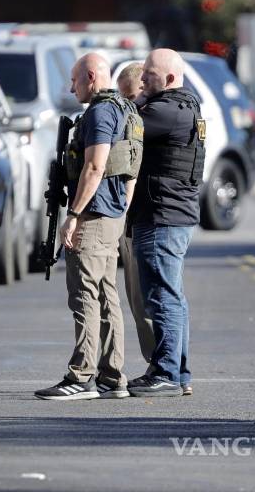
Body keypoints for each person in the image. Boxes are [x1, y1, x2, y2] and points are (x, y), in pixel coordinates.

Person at [35, 52, 138, 401]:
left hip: (94, 216)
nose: (71, 86)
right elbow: (129, 170)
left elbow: (95, 167)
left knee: (85, 297)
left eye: (76, 79)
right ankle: (112, 376)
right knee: (107, 296)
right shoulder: (125, 109)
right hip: (113, 214)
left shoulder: (100, 112)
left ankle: (81, 376)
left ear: (92, 77)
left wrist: (74, 214)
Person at [127, 49, 204, 398]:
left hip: (162, 217)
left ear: (170, 79)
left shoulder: (166, 110)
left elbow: (123, 126)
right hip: (172, 214)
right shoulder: (186, 105)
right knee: (171, 296)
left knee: (161, 297)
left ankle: (167, 371)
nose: (142, 80)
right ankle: (177, 370)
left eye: (149, 75)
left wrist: (138, 100)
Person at [115, 62, 155, 372]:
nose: (127, 105)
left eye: (129, 97)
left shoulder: (144, 120)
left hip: (140, 220)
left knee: (144, 301)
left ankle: (161, 366)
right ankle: (165, 366)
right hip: (144, 219)